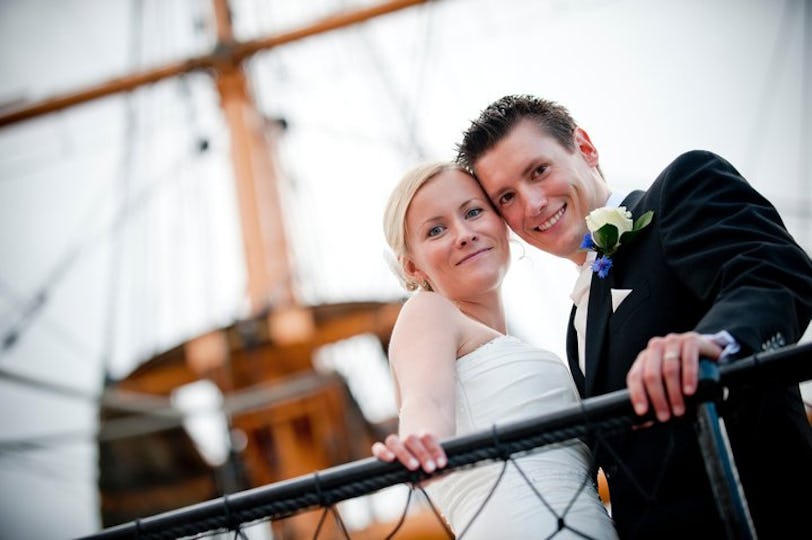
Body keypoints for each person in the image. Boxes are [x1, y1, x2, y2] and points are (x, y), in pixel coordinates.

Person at [454, 94, 812, 538]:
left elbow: (770, 274)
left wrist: (714, 343)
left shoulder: (680, 189)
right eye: (506, 196)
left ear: (584, 148)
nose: (531, 204)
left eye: (538, 171)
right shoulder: (576, 325)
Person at [371, 162, 617, 539]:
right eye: (436, 230)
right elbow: (426, 402)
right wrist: (423, 443)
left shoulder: (519, 342)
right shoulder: (428, 310)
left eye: (473, 212)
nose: (464, 234)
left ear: (502, 222)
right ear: (412, 266)